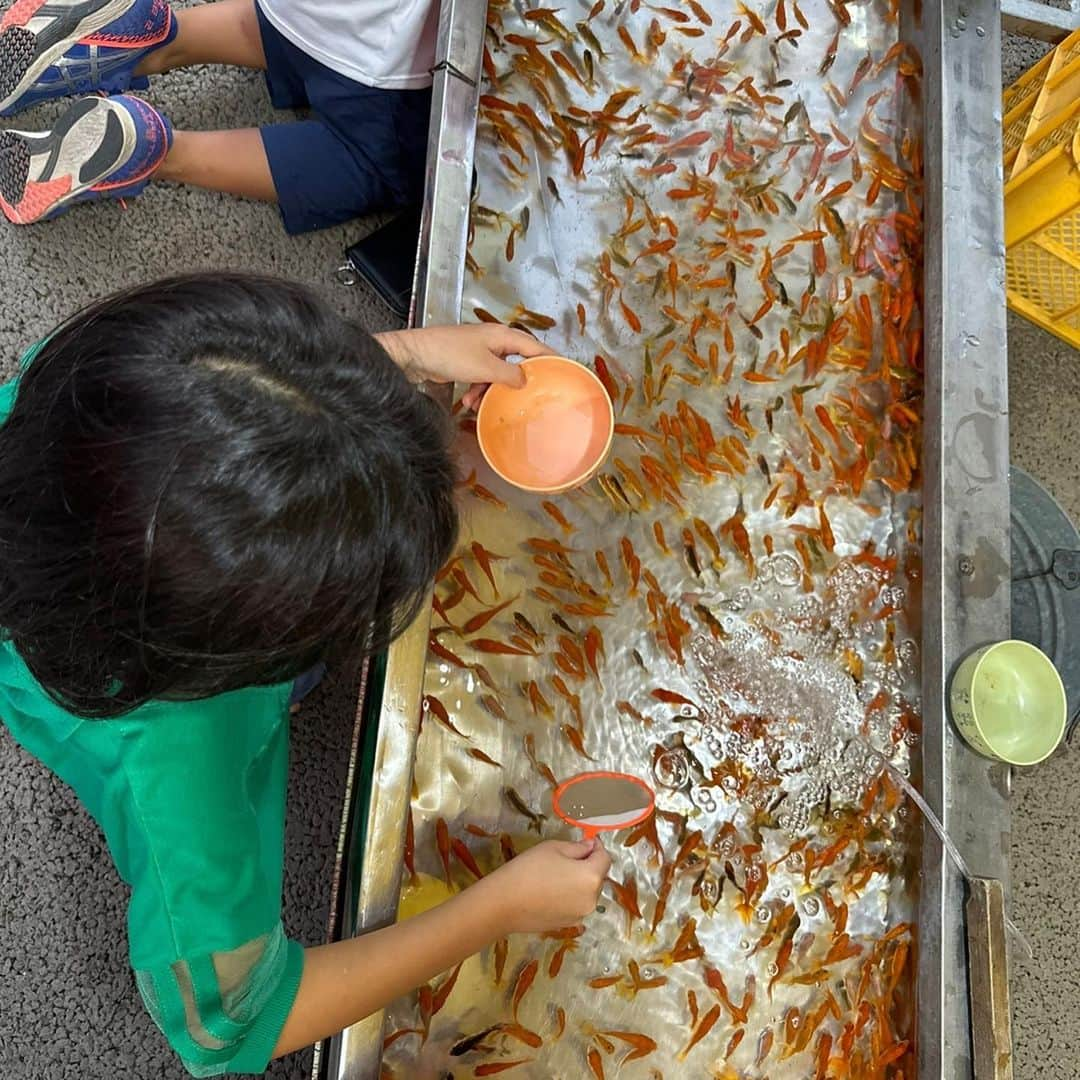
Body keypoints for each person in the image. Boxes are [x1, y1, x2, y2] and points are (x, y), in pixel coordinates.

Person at [0, 272, 612, 1075]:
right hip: (124, 705)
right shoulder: (178, 790)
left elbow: (239, 405)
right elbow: (237, 1028)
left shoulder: (96, 396)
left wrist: (393, 365)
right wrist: (495, 910)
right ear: (245, 650)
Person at [0, 0, 435, 233]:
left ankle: (142, 34)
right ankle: (157, 148)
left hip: (303, 11)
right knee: (383, 167)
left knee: (268, 25)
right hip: (387, 62)